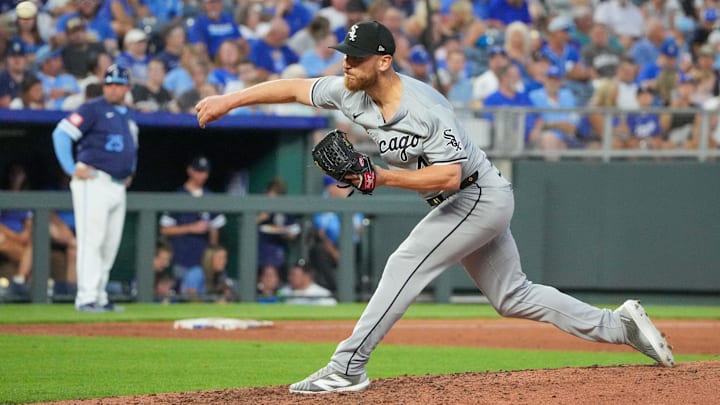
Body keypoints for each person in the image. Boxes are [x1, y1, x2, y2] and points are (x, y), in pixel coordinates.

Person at [195, 20, 674, 394]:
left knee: (405, 262)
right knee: (511, 296)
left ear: (383, 61)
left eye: (356, 57)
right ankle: (619, 325)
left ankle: (347, 368)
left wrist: (379, 177)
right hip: (463, 199)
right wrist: (230, 100)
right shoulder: (350, 91)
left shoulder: (425, 108)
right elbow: (295, 88)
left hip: (477, 194)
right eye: (344, 55)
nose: (346, 64)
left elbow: (449, 174)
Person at [51, 64, 138, 312]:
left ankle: (99, 295)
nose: (113, 88)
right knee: (92, 241)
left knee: (110, 244)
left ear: (127, 87)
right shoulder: (92, 109)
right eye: (109, 83)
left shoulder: (127, 114)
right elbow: (61, 134)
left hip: (117, 185)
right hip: (93, 181)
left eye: (118, 84)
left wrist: (130, 170)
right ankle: (86, 297)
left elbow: (132, 147)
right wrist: (70, 168)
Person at [158, 155, 227, 294]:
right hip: (182, 259)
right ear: (190, 171)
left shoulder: (210, 197)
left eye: (205, 172)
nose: (203, 175)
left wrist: (212, 256)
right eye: (199, 171)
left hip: (204, 262)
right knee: (181, 295)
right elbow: (165, 230)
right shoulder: (178, 197)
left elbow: (215, 231)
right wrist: (191, 228)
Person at [309, 175, 365, 292]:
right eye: (341, 185)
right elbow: (321, 234)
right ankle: (333, 290)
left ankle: (356, 289)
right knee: (318, 250)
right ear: (330, 188)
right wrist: (335, 253)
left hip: (349, 245)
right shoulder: (324, 203)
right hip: (329, 246)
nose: (346, 188)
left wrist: (346, 200)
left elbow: (358, 230)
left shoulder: (351, 200)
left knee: (357, 249)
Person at [256, 177, 301, 281]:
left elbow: (293, 230)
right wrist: (260, 217)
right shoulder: (258, 202)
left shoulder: (285, 207)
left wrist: (288, 233)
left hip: (279, 248)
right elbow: (245, 224)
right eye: (271, 194)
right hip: (260, 247)